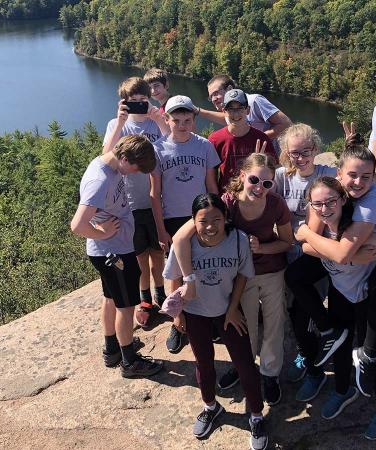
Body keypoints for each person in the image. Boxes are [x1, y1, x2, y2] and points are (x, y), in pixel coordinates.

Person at [171, 153, 293, 406]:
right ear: (242, 176)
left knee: (274, 322)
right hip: (239, 276)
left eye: (267, 184)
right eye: (254, 180)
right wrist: (189, 280)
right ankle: (243, 366)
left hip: (270, 271)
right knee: (243, 325)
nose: (260, 188)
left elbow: (286, 242)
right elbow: (182, 237)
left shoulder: (276, 205)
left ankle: (269, 373)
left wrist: (261, 249)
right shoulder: (226, 204)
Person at [294, 139, 376, 398]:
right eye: (352, 175)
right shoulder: (333, 193)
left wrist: (302, 233)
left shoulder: (371, 206)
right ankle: (329, 339)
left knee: (371, 318)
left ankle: (369, 361)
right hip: (350, 254)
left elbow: (340, 253)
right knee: (296, 275)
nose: (358, 182)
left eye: (366, 177)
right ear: (339, 175)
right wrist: (308, 239)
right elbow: (314, 244)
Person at [301, 176, 376, 440]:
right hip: (341, 294)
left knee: (369, 357)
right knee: (340, 346)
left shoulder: (362, 233)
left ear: (343, 200)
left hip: (365, 299)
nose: (325, 208)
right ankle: (343, 390)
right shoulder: (319, 231)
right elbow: (306, 246)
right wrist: (316, 241)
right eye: (318, 204)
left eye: (331, 202)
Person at [162, 193, 268, 450]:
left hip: (227, 311)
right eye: (203, 220)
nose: (210, 226)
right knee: (204, 363)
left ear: (226, 218)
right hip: (196, 312)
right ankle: (211, 406)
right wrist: (178, 316)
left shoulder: (239, 241)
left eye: (216, 219)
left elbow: (243, 275)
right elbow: (172, 279)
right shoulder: (185, 246)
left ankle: (256, 415)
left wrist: (233, 309)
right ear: (193, 221)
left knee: (244, 364)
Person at [70, 134, 163, 378]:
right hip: (114, 254)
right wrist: (102, 234)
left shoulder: (108, 164)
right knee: (126, 306)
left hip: (111, 250)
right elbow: (77, 225)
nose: (135, 173)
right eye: (135, 167)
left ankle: (112, 349)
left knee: (110, 298)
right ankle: (130, 362)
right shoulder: (100, 180)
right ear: (123, 158)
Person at [149, 95, 220, 353]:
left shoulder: (204, 147)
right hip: (173, 219)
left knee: (203, 266)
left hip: (201, 216)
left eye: (187, 120)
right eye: (176, 120)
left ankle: (207, 317)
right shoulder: (158, 149)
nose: (181, 124)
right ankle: (178, 321)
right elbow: (154, 194)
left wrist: (218, 219)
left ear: (193, 120)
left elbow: (212, 186)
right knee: (176, 272)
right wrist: (160, 229)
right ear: (166, 120)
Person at [272, 123, 336, 391]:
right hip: (289, 251)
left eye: (305, 151)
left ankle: (314, 365)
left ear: (316, 149)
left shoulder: (327, 174)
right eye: (294, 153)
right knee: (294, 306)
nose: (300, 158)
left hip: (316, 252)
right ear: (287, 153)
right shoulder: (280, 177)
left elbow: (354, 180)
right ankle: (308, 351)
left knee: (308, 308)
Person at [102, 77, 169, 329]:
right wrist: (120, 122)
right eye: (134, 102)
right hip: (128, 203)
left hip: (154, 199)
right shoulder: (116, 124)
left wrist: (160, 121)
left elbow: (170, 147)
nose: (140, 105)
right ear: (124, 103)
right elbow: (105, 156)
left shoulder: (156, 122)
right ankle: (146, 299)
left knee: (156, 251)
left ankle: (161, 292)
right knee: (139, 254)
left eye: (143, 100)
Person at [208, 88, 277, 190]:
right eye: (231, 109)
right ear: (224, 111)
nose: (236, 114)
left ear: (248, 110)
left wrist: (261, 162)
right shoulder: (215, 139)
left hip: (255, 196)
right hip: (226, 199)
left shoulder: (262, 139)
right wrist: (216, 202)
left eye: (240, 108)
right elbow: (210, 177)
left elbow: (272, 175)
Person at [198, 75, 292, 142]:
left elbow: (286, 124)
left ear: (229, 89)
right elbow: (226, 119)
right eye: (211, 97)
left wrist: (254, 140)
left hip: (274, 158)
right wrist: (198, 111)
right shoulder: (230, 113)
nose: (214, 99)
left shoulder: (254, 101)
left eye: (216, 93)